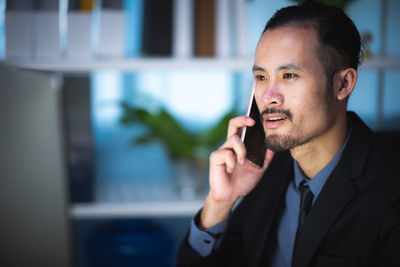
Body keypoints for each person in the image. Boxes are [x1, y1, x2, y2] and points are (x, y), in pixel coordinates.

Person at [177, 1, 400, 267]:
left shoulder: (390, 191)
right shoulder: (263, 171)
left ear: (343, 84)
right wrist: (219, 203)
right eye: (261, 78)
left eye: (289, 75)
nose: (268, 97)